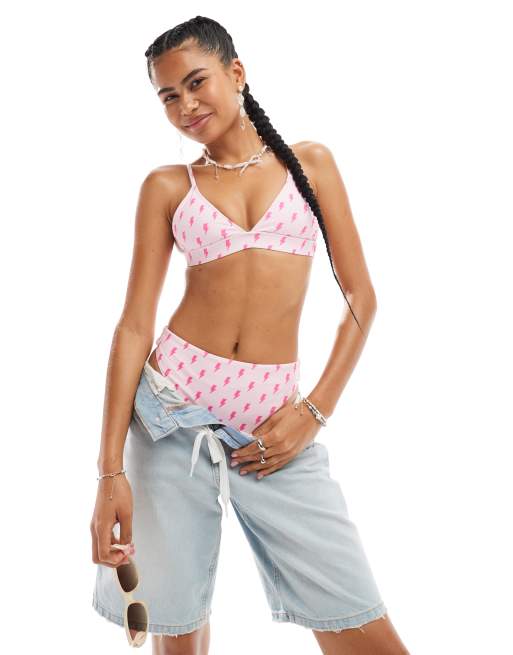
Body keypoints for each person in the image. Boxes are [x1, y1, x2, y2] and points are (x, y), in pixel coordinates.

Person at [90, 15, 410, 655]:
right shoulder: (168, 186)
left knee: (360, 623)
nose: (185, 105)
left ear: (236, 73)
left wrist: (314, 411)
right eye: (168, 96)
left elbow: (360, 298)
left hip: (274, 430)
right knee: (176, 630)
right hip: (169, 418)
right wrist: (108, 473)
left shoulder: (309, 165)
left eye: (196, 82)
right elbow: (134, 327)